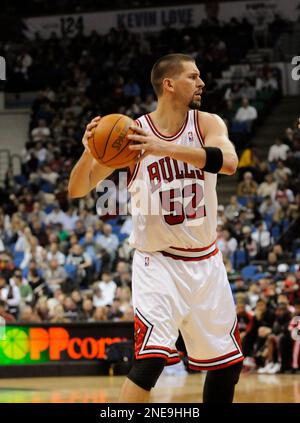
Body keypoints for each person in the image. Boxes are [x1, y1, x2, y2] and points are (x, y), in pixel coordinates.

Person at [68, 53, 243, 403]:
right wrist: (89, 150)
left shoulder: (207, 123)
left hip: (206, 261)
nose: (201, 83)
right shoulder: (131, 135)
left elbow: (230, 162)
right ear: (169, 84)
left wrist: (161, 148)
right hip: (157, 261)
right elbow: (77, 188)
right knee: (150, 361)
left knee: (227, 366)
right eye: (193, 77)